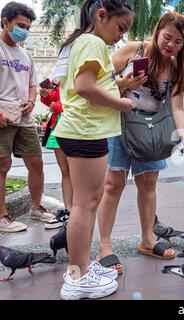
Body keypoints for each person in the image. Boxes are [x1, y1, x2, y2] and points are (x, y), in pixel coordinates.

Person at [96, 12, 184, 269]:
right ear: (157, 31)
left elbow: (177, 108)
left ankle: (147, 239)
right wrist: (123, 83)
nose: (171, 45)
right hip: (120, 123)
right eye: (167, 37)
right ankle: (105, 246)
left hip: (151, 130)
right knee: (113, 184)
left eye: (178, 42)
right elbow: (97, 79)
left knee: (149, 184)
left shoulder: (176, 67)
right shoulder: (135, 50)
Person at [52, 0, 135, 300]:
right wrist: (122, 103)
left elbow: (93, 84)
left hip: (87, 131)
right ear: (101, 15)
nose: (120, 37)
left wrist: (121, 85)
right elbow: (85, 86)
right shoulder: (91, 42)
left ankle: (83, 266)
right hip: (84, 131)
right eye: (120, 28)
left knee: (88, 201)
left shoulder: (86, 42)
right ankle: (76, 276)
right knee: (84, 205)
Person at [0, 1, 55, 233]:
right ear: (5, 22)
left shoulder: (25, 55)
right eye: (21, 25)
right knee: (2, 166)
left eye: (28, 27)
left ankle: (35, 207)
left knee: (36, 162)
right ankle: (2, 216)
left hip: (24, 118)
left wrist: (32, 101)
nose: (25, 31)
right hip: (2, 116)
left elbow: (33, 84)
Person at [39, 80, 71, 229]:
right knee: (65, 171)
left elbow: (80, 97)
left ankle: (77, 211)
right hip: (58, 125)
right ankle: (69, 210)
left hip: (73, 125)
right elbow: (54, 98)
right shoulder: (59, 78)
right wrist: (45, 96)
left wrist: (58, 107)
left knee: (74, 171)